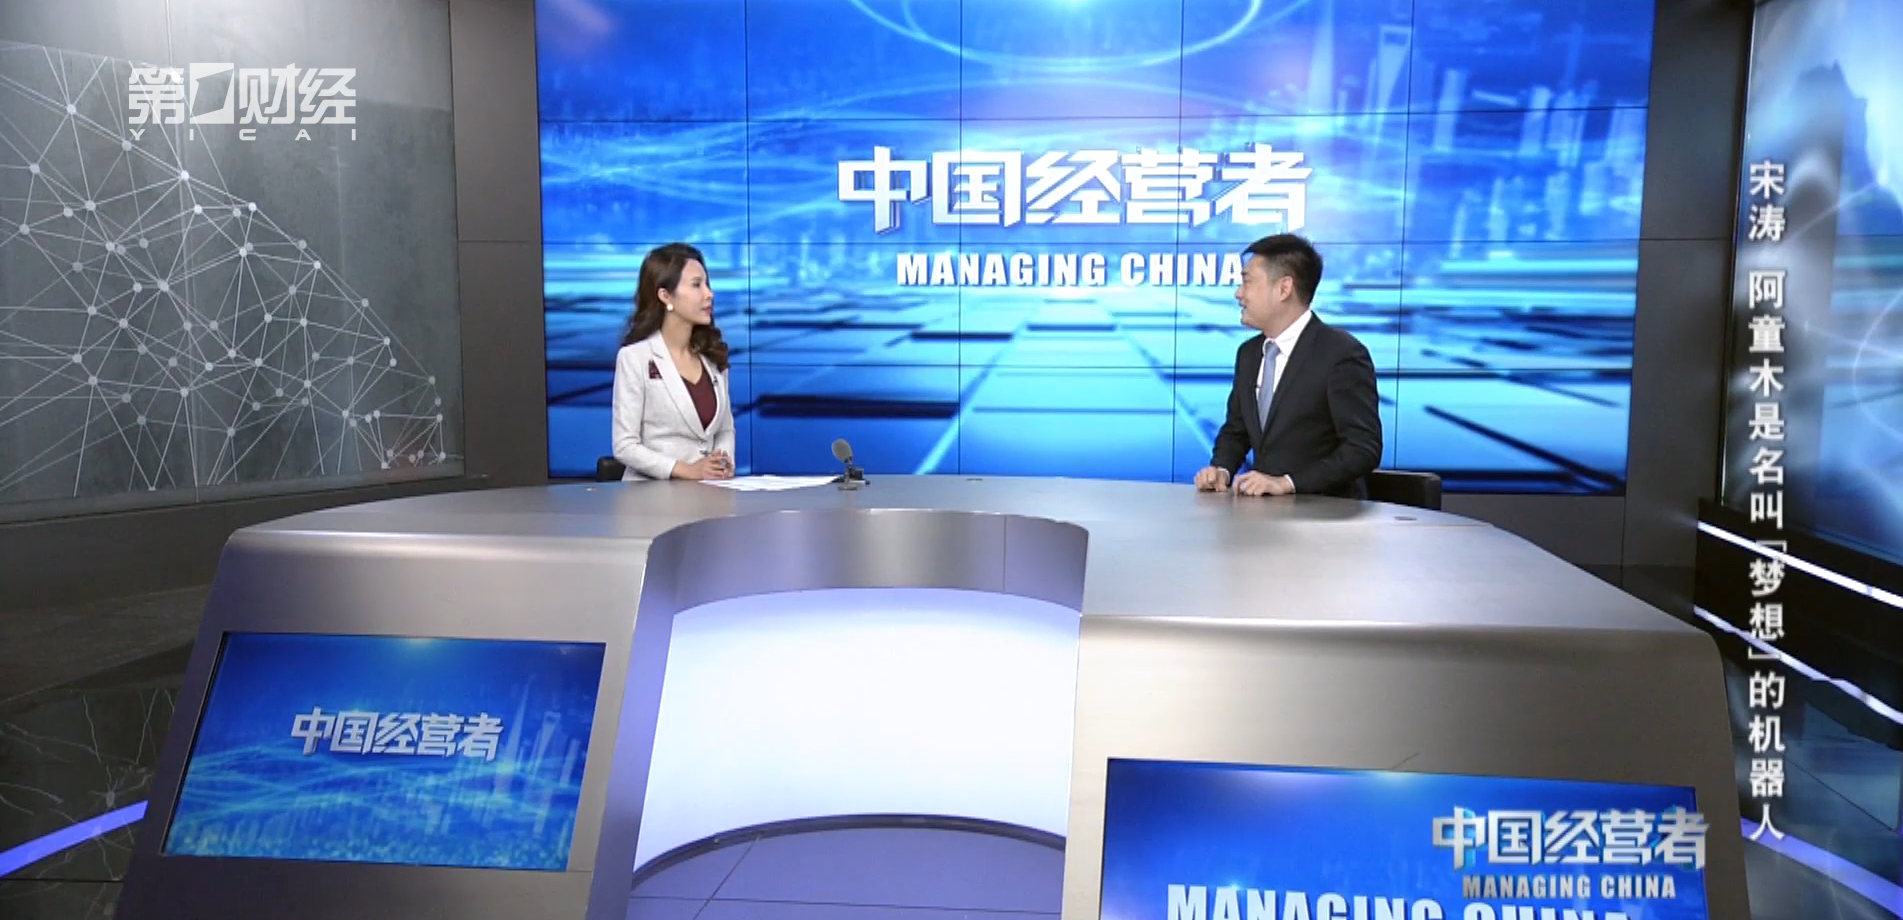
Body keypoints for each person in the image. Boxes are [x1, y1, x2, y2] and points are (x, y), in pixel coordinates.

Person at [1194, 234, 1382, 499]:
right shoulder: (1248, 354)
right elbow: (1237, 430)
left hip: (1326, 514)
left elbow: (1362, 449)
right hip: (1261, 513)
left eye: (1247, 282)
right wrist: (1221, 469)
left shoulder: (1341, 354)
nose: (1238, 293)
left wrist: (1288, 483)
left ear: (1284, 289)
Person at [611, 243, 736, 481]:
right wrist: (686, 470)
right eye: (696, 285)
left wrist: (721, 462)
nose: (709, 294)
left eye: (707, 284)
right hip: (650, 496)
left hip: (709, 493)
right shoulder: (635, 358)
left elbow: (725, 429)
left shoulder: (713, 358)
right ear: (665, 296)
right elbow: (624, 445)